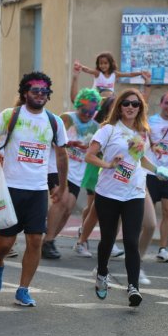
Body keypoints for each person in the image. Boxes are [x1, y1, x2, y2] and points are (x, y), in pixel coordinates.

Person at [0, 71, 68, 307]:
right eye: (36, 91)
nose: (41, 95)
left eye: (45, 92)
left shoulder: (54, 122)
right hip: (11, 188)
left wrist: (61, 186)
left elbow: (62, 156)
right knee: (5, 243)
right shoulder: (10, 116)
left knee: (35, 240)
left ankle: (23, 289)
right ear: (24, 93)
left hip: (37, 190)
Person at [85, 88, 168, 307]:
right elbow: (90, 155)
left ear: (140, 108)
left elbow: (140, 160)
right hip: (108, 193)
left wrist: (157, 170)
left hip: (134, 193)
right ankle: (102, 273)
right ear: (119, 107)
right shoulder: (108, 130)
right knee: (107, 239)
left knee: (132, 241)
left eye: (135, 104)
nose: (131, 107)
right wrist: (108, 164)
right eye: (126, 104)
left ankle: (133, 286)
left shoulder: (142, 133)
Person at [42, 88, 101, 259]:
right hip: (58, 167)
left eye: (92, 111)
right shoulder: (67, 118)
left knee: (68, 209)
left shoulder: (96, 127)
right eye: (84, 110)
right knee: (62, 201)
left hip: (77, 172)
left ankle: (49, 236)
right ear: (78, 105)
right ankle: (48, 242)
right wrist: (70, 143)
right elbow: (52, 140)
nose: (88, 114)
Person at [144, 92, 168, 264]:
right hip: (151, 172)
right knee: (144, 214)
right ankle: (139, 247)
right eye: (167, 103)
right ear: (161, 104)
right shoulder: (151, 121)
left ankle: (163, 249)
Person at [74, 53, 148, 97]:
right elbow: (88, 70)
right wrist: (80, 66)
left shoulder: (114, 74)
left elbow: (129, 74)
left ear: (110, 64)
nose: (103, 66)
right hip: (95, 98)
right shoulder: (98, 73)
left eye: (105, 63)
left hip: (108, 99)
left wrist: (140, 73)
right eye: (101, 63)